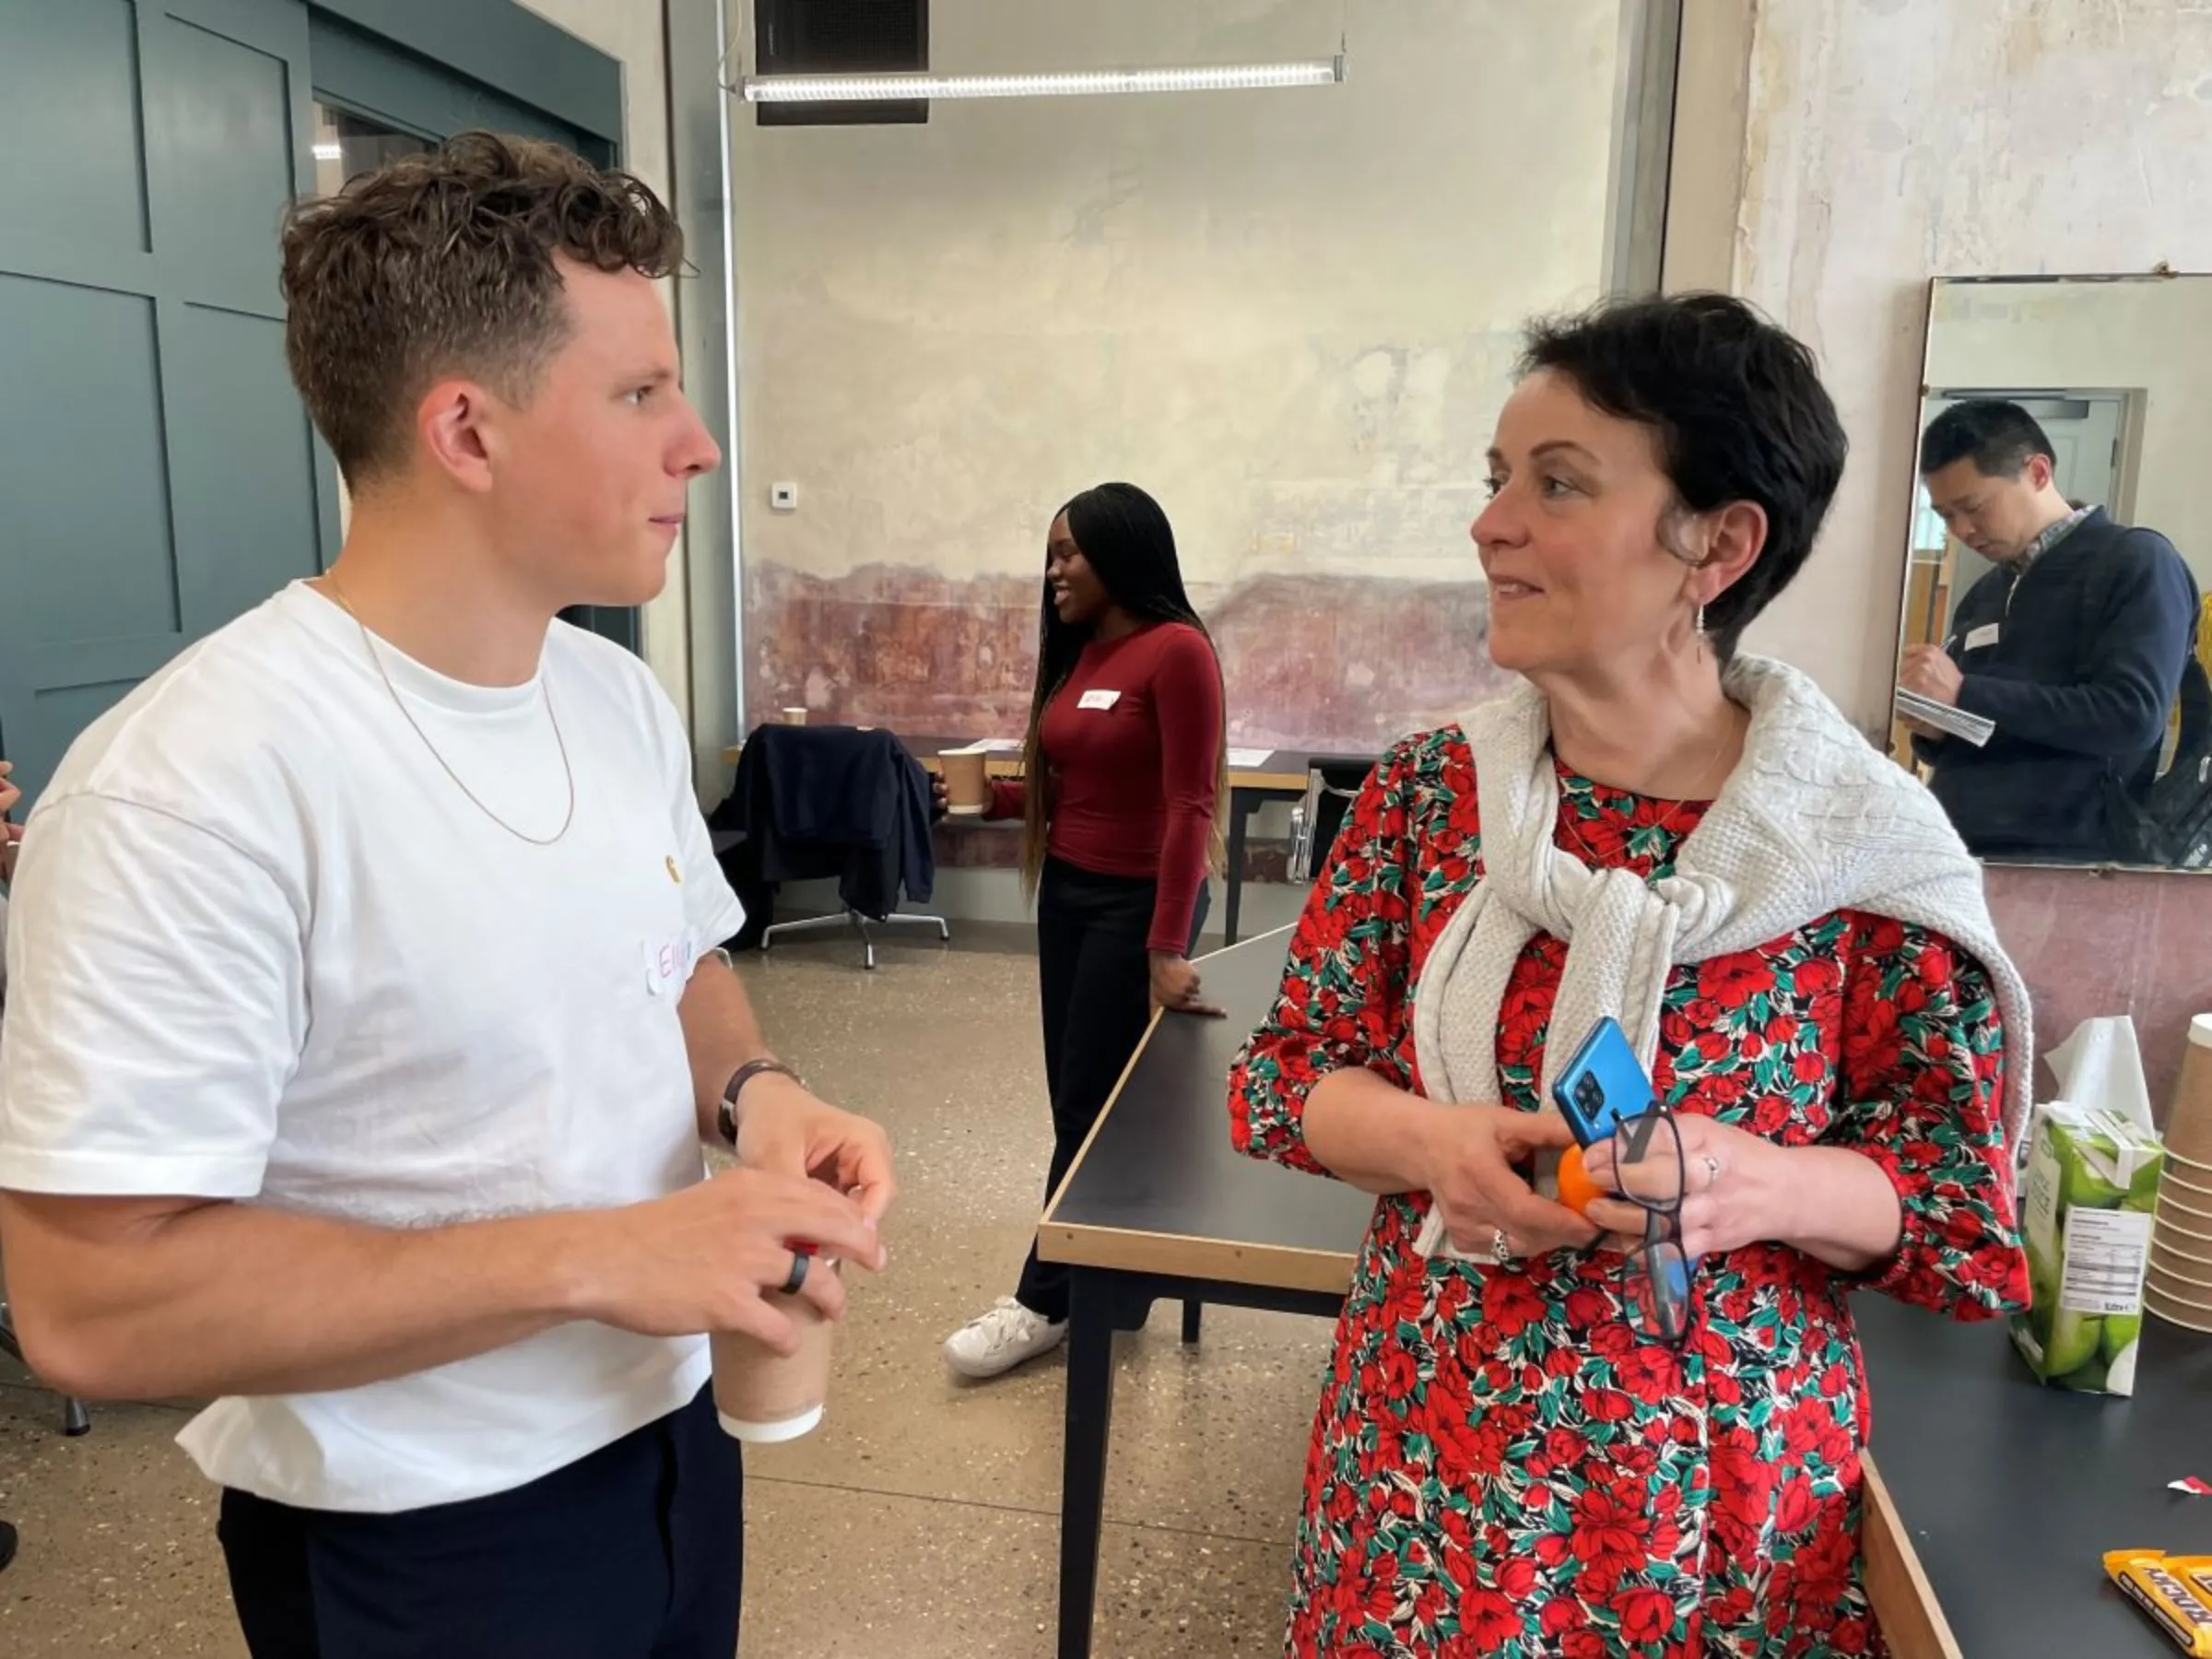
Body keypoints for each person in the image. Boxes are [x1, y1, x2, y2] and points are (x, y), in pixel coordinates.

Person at [0, 134, 893, 1659]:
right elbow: (93, 1304)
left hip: (676, 1446)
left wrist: (760, 1095)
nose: (700, 444)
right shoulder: (190, 786)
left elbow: (672, 962)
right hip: (417, 1541)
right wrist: (601, 1255)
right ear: (466, 431)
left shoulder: (609, 697)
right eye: (638, 394)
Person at [1230, 293, 2034, 1656]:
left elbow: (1960, 1214)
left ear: (1715, 545)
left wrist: (1753, 1181)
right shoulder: (1435, 800)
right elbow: (1281, 1082)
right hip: (1429, 1469)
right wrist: (1435, 1143)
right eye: (1498, 480)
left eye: (1557, 485)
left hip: (1715, 1511)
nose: (1492, 524)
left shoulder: (1856, 853)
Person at [942, 482, 1228, 1380]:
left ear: (1123, 553)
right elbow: (1080, 781)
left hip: (1138, 908)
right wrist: (1001, 798)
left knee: (1088, 1109)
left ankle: (1044, 1301)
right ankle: (1115, 1275)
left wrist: (1167, 945)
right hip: (1067, 894)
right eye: (1051, 552)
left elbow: (1189, 806)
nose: (1055, 570)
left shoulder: (1176, 652)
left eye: (1071, 552)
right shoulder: (1082, 656)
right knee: (1082, 1103)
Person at [1902, 398, 2201, 863]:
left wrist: (1966, 694)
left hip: (2073, 865)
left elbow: (2132, 715)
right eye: (1944, 515)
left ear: (2038, 472)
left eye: (1973, 506)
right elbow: (1988, 723)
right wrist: (1936, 726)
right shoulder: (1985, 592)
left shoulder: (2135, 561)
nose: (1961, 529)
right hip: (1965, 854)